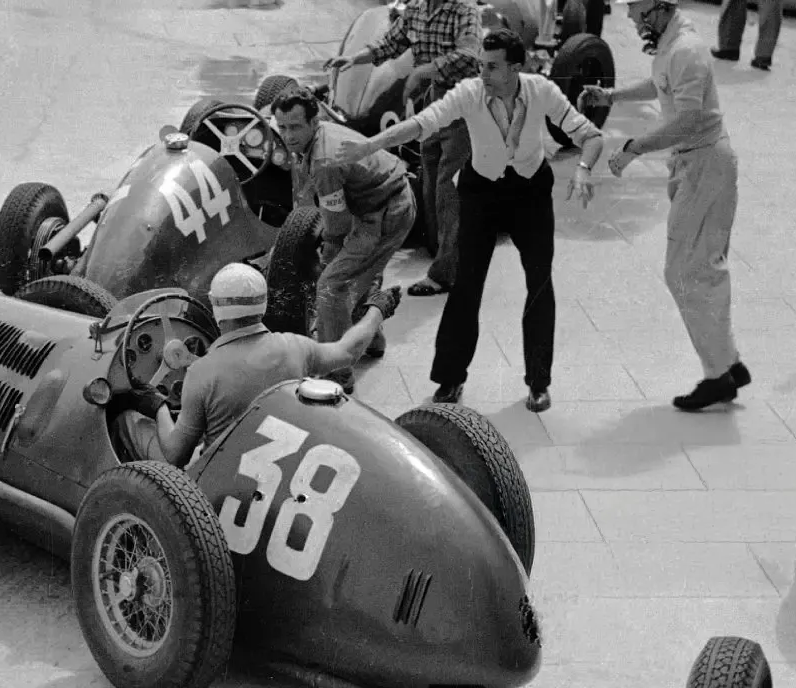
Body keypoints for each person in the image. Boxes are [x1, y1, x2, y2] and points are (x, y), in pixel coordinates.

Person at [337, 29, 606, 412]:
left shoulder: (541, 90)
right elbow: (424, 123)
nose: (483, 74)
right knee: (466, 286)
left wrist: (582, 169)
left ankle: (538, 382)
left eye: (493, 67)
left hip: (530, 193)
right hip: (481, 192)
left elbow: (591, 135)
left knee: (540, 284)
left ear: (516, 67)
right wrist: (370, 145)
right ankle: (450, 378)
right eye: (481, 64)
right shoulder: (469, 92)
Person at [581, 0, 749, 411]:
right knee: (703, 267)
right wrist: (611, 98)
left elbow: (689, 119)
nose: (634, 22)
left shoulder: (687, 51)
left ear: (658, 7)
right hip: (701, 165)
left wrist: (634, 147)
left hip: (704, 165)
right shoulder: (675, 45)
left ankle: (718, 374)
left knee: (684, 272)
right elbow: (661, 87)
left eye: (637, 13)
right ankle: (727, 362)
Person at [326, 0, 484, 298]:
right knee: (429, 178)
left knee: (448, 187)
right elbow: (390, 44)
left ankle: (447, 273)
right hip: (432, 105)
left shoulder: (466, 10)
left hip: (462, 103)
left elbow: (471, 55)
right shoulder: (415, 8)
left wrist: (424, 71)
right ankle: (441, 249)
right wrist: (354, 60)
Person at [154, 265, 401, 465]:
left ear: (216, 308)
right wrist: (377, 311)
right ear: (263, 303)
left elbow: (176, 455)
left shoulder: (201, 373)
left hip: (225, 484)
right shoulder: (296, 347)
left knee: (137, 429)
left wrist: (156, 406)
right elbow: (348, 351)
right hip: (289, 465)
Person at [269, 89, 419, 388]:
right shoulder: (319, 137)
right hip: (379, 202)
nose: (288, 135)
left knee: (330, 285)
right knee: (358, 274)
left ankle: (336, 374)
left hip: (386, 212)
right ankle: (371, 340)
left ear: (314, 122)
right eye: (282, 127)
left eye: (296, 126)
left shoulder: (325, 160)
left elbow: (336, 226)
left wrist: (327, 257)